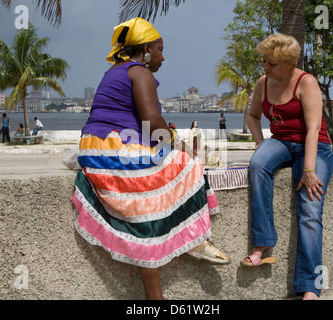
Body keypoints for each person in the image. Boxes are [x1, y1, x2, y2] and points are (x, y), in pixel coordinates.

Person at [72, 17, 229, 301]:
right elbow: (151, 121)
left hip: (94, 148)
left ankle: (157, 295)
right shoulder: (139, 72)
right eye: (159, 49)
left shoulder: (115, 71)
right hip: (114, 148)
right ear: (145, 49)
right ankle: (195, 239)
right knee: (191, 165)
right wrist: (179, 144)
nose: (162, 56)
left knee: (148, 208)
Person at [242, 33, 333, 300]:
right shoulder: (263, 82)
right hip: (281, 141)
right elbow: (252, 114)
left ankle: (310, 287)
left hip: (315, 146)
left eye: (271, 63)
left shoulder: (306, 82)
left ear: (289, 64)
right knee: (258, 163)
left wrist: (308, 171)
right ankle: (263, 242)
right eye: (264, 61)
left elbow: (314, 128)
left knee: (310, 212)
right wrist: (260, 141)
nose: (265, 67)